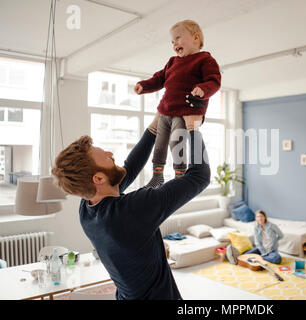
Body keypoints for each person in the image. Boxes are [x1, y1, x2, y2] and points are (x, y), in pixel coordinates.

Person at [51, 114, 210, 300]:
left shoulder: (87, 210)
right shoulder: (133, 209)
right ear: (98, 179)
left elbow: (129, 168)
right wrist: (193, 128)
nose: (111, 154)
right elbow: (199, 177)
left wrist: (154, 126)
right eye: (106, 157)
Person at [134, 19, 221, 189]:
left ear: (196, 38)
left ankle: (179, 174)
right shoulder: (172, 62)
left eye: (178, 38)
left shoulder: (204, 59)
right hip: (165, 111)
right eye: (172, 41)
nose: (174, 44)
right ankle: (157, 176)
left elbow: (214, 81)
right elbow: (159, 78)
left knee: (176, 142)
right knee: (159, 145)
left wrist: (203, 89)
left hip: (184, 111)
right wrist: (144, 85)